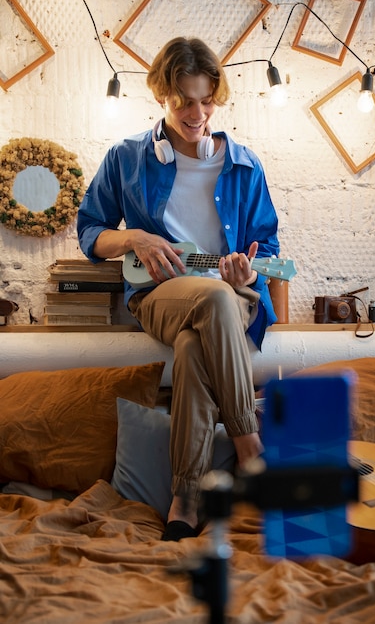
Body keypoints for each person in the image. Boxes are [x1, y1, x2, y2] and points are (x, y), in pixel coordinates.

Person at [77, 37, 280, 541]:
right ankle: (249, 444)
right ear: (161, 97)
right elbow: (89, 232)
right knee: (207, 299)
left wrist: (249, 276)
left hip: (230, 298)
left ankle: (185, 498)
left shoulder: (244, 165)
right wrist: (136, 237)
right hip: (160, 295)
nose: (197, 112)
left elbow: (268, 248)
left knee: (194, 344)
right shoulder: (126, 159)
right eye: (183, 100)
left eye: (207, 99)